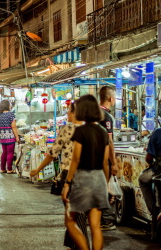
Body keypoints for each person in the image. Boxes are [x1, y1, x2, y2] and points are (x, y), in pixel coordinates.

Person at [30, 103, 89, 250]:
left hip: (70, 175)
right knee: (80, 214)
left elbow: (52, 153)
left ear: (76, 113)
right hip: (89, 176)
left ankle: (82, 246)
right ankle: (72, 243)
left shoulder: (67, 129)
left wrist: (37, 169)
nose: (67, 114)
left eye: (69, 111)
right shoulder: (91, 129)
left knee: (73, 216)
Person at [62, 95, 110, 250]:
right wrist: (106, 184)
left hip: (83, 178)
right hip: (99, 178)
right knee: (95, 226)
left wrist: (68, 183)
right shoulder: (103, 132)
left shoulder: (81, 131)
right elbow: (105, 162)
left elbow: (75, 160)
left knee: (70, 220)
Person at [98, 86, 118, 231]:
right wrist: (114, 163)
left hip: (91, 159)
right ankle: (105, 220)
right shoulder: (106, 116)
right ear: (110, 98)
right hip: (102, 159)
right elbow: (109, 141)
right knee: (104, 188)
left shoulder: (93, 114)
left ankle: (94, 218)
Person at [0, 100, 19, 174]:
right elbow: (14, 126)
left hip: (2, 136)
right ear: (8, 106)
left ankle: (2, 168)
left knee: (4, 152)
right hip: (9, 135)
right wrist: (17, 136)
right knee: (10, 153)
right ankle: (9, 169)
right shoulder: (10, 114)